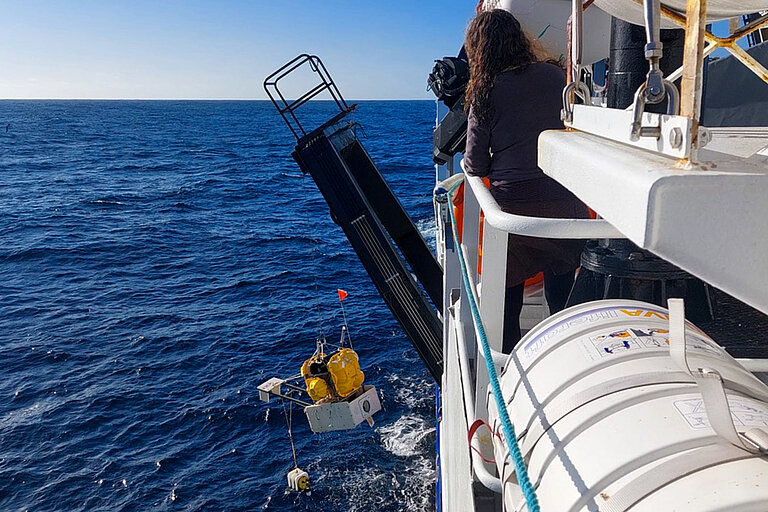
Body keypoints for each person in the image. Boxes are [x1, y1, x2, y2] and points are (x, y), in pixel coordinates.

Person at [462, 9, 589, 353]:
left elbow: (474, 164)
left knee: (507, 306)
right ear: (520, 40)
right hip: (565, 206)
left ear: (478, 50)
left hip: (515, 217)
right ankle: (567, 356)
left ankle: (512, 365)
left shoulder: (485, 92)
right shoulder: (555, 76)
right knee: (562, 299)